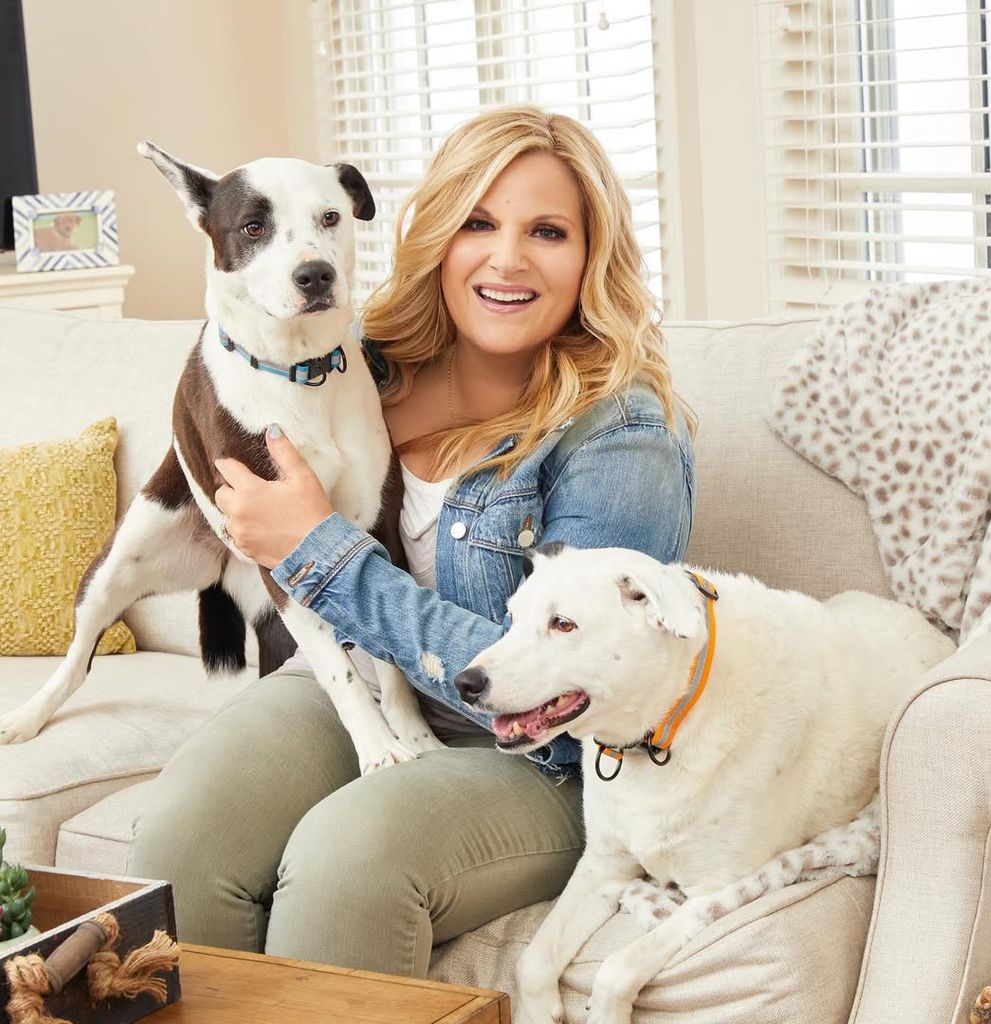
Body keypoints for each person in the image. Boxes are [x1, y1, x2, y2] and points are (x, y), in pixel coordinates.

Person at [129, 105, 696, 976]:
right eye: (479, 223)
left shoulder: (621, 437)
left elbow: (572, 688)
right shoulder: (358, 367)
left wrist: (322, 550)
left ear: (591, 255)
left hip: (544, 752)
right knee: (181, 834)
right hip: (362, 685)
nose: (507, 258)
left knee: (345, 868)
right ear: (438, 235)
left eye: (546, 231)